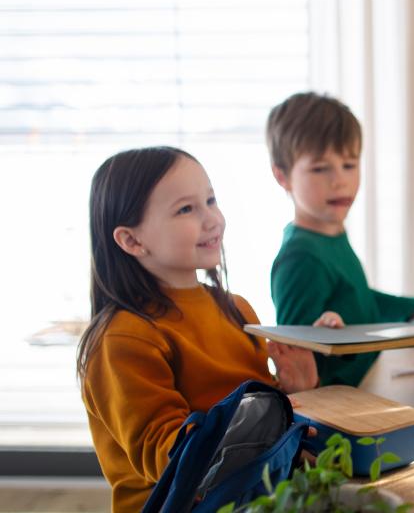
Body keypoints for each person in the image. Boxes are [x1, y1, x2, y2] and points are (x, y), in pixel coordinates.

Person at [78, 147, 319, 512]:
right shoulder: (123, 338)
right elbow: (171, 459)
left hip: (259, 492)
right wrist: (275, 436)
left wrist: (294, 391)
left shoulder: (236, 308)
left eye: (210, 200)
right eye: (186, 209)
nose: (213, 219)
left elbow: (252, 409)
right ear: (131, 240)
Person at [267, 92, 414, 387]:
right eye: (321, 168)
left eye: (349, 165)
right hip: (342, 404)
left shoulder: (330, 233)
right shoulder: (301, 257)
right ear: (282, 176)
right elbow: (293, 356)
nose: (340, 180)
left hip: (373, 379)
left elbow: (359, 299)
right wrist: (319, 340)